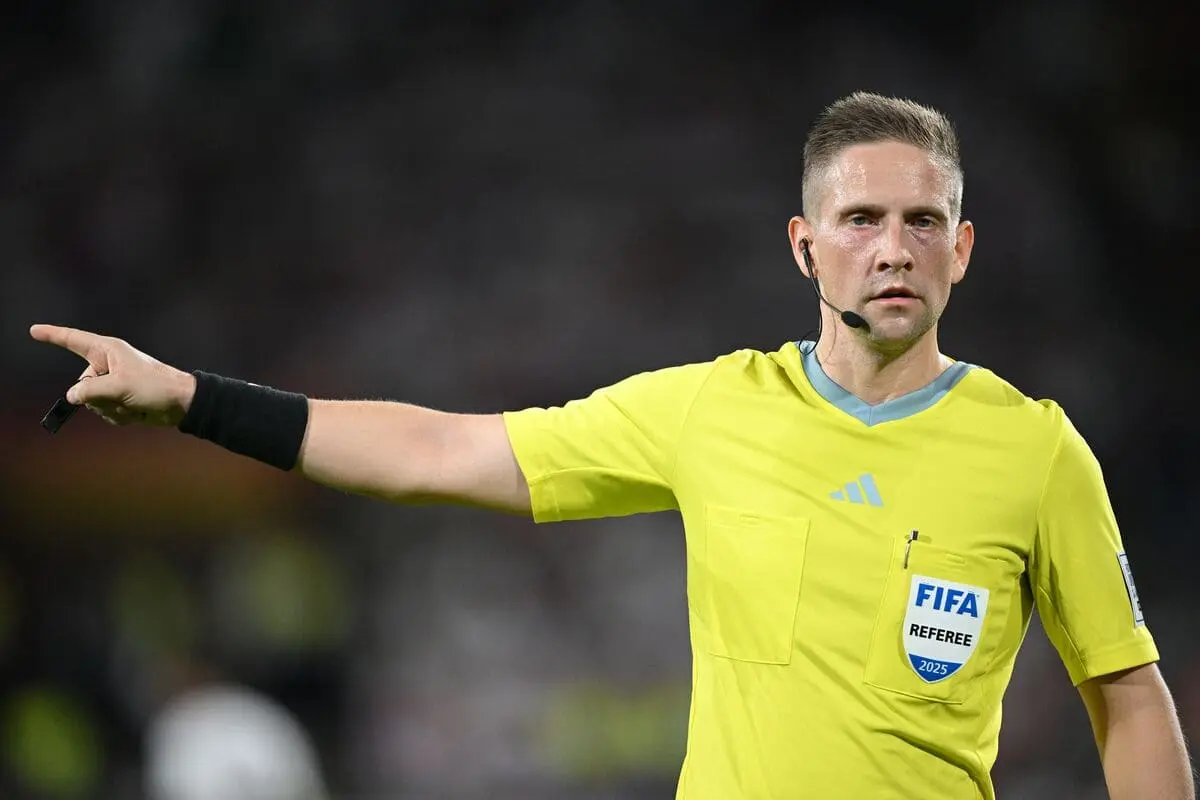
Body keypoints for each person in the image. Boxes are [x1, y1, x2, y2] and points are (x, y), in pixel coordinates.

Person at [30, 92, 1194, 799]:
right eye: (861, 219)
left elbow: (1128, 696)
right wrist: (190, 398)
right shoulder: (707, 410)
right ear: (804, 245)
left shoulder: (1036, 450)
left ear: (963, 249)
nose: (893, 248)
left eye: (922, 222)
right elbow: (439, 452)